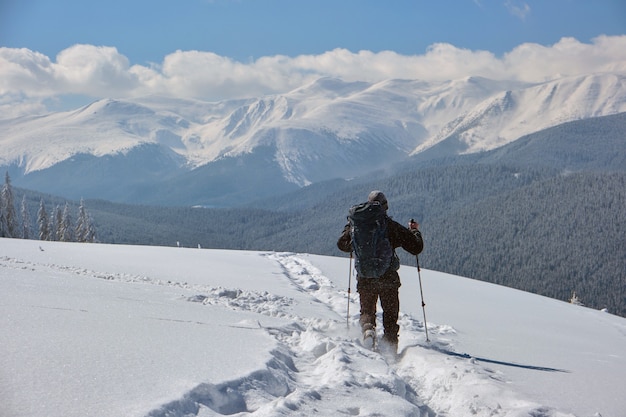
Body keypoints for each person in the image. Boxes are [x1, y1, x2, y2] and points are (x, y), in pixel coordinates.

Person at [337, 190, 423, 353]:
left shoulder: (357, 225)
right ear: (385, 207)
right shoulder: (389, 226)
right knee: (390, 315)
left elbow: (342, 244)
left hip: (365, 277)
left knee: (367, 310)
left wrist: (351, 232)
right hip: (388, 278)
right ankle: (390, 349)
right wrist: (414, 231)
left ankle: (368, 330)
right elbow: (416, 247)